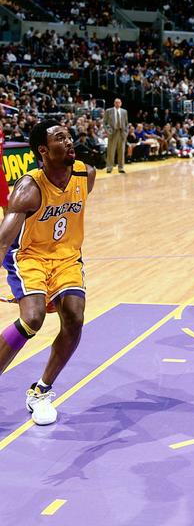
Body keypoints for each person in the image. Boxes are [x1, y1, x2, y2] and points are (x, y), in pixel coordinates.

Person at [0, 120, 96, 424]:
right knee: (32, 318)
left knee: (75, 318)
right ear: (43, 150)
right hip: (30, 257)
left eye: (69, 136)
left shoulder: (86, 174)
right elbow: (4, 240)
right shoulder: (28, 188)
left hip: (67, 258)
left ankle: (40, 391)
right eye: (60, 138)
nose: (69, 142)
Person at [104, 97, 128, 173]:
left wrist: (126, 132)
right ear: (114, 103)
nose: (117, 104)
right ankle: (109, 167)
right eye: (116, 102)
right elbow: (105, 123)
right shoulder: (108, 111)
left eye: (119, 102)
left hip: (121, 133)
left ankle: (121, 167)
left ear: (121, 104)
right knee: (111, 151)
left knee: (121, 151)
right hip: (112, 133)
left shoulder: (124, 111)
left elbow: (126, 123)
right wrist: (108, 131)